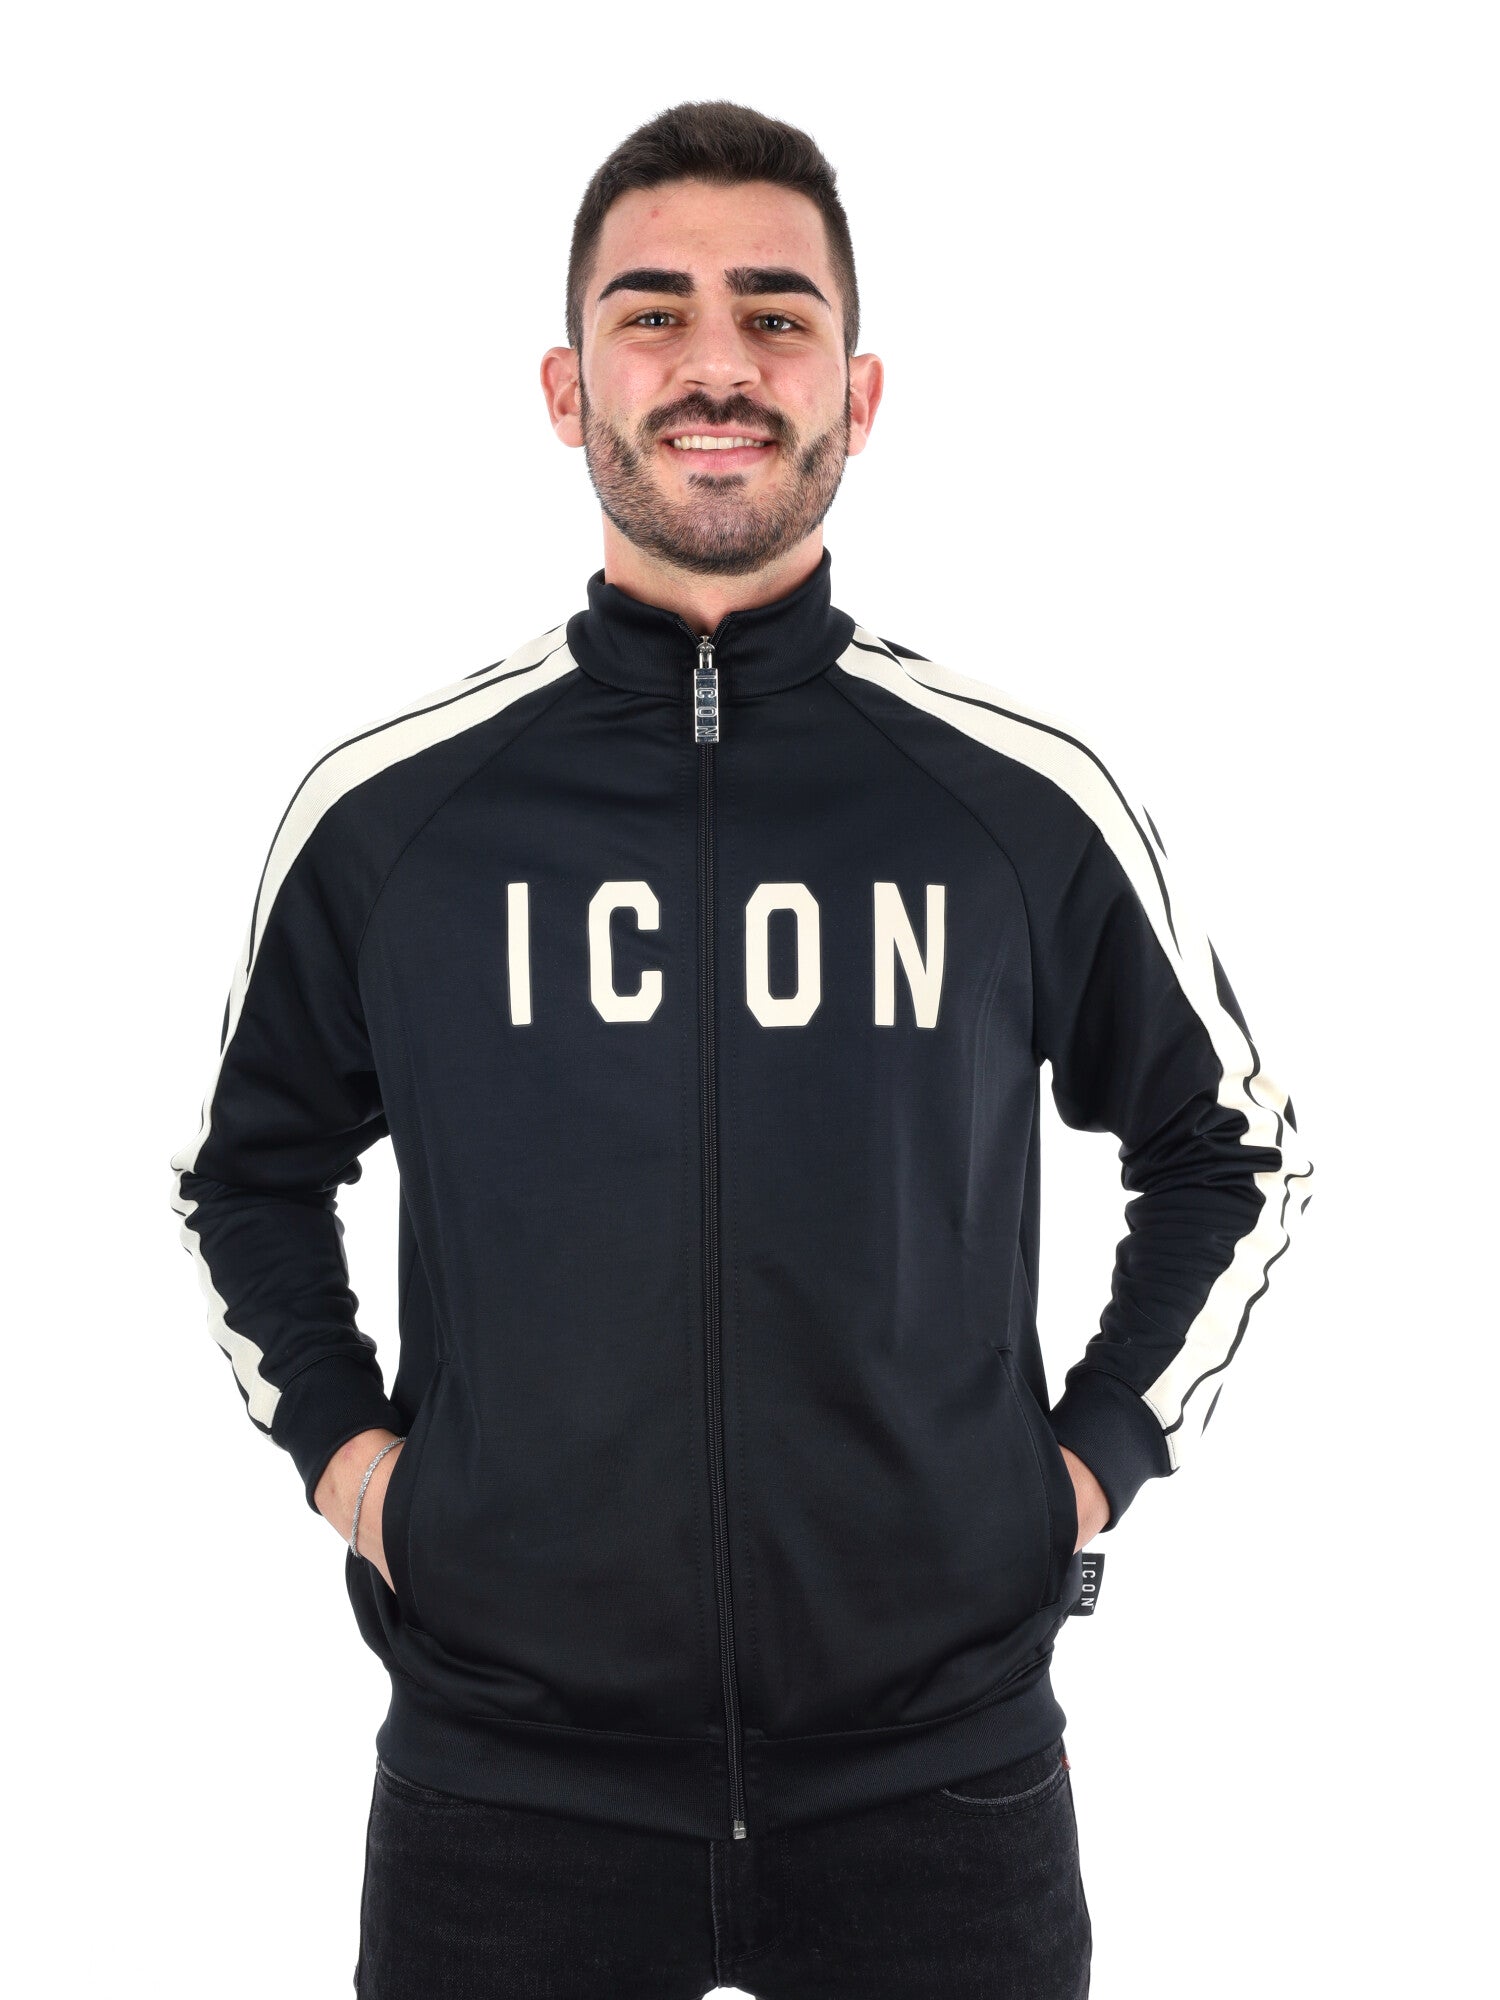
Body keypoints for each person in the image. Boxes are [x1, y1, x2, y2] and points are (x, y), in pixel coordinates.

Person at [169, 98, 1314, 2000]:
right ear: (566, 389)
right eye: (655, 313)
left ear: (859, 394)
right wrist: (361, 1473)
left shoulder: (1014, 803)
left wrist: (1081, 1470)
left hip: (940, 1792)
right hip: (503, 1800)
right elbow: (244, 1172)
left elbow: (1237, 1153)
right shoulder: (393, 817)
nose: (718, 364)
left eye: (778, 316)